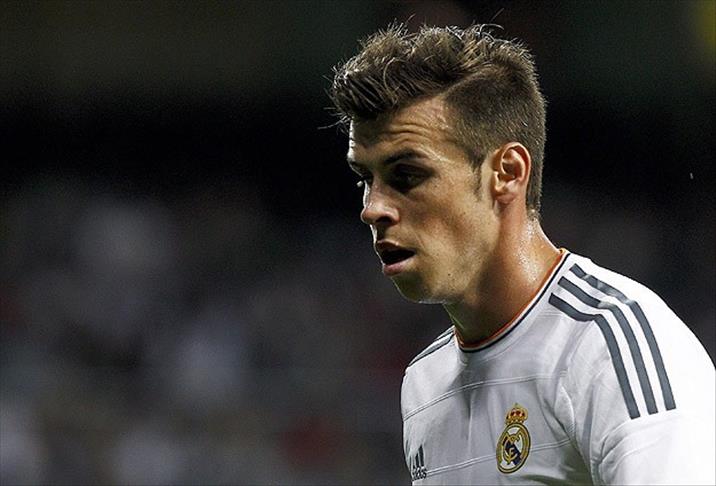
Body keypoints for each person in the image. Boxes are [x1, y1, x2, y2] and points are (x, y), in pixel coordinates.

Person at [329, 24, 715, 485]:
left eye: (407, 175)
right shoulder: (423, 384)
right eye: (365, 179)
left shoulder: (609, 347)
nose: (372, 208)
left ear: (507, 173)